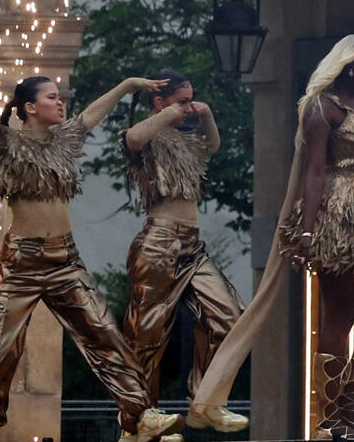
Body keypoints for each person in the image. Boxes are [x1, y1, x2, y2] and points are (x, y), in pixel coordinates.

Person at [186, 35, 354, 439]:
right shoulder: (322, 108)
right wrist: (307, 229)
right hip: (335, 219)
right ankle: (332, 420)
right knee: (340, 317)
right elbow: (314, 171)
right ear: (350, 65)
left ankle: (347, 401)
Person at [0, 67, 183, 442]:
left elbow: (91, 114)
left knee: (104, 333)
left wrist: (127, 85)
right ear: (30, 107)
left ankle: (141, 416)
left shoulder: (64, 140)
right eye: (52, 97)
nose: (60, 102)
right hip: (21, 262)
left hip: (64, 260)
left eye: (60, 97)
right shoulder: (6, 144)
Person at [119, 69, 246, 437]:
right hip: (158, 241)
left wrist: (204, 114)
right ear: (160, 103)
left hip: (192, 245)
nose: (189, 107)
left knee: (229, 316)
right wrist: (170, 112)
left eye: (192, 99)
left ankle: (205, 402)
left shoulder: (186, 141)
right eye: (183, 100)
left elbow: (213, 145)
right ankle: (138, 420)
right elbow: (135, 137)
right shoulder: (149, 136)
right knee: (147, 333)